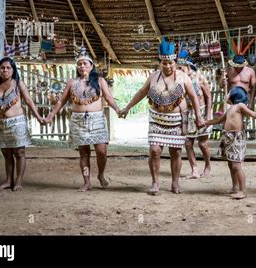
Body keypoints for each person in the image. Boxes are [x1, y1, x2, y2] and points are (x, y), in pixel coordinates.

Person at [119, 37, 204, 195]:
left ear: (175, 62)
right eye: (164, 63)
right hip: (157, 120)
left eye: (170, 63)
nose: (168, 66)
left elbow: (194, 97)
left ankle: (175, 183)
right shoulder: (153, 77)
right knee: (154, 150)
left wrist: (198, 116)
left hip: (178, 120)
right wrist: (127, 108)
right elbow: (140, 93)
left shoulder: (183, 77)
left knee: (176, 152)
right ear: (160, 62)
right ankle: (155, 182)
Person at [45, 48, 121, 192]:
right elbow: (61, 101)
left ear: (91, 66)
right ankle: (86, 181)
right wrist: (51, 114)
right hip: (78, 121)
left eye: (85, 64)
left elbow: (109, 98)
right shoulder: (72, 82)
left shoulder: (99, 81)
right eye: (79, 64)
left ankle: (101, 174)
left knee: (101, 151)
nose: (82, 67)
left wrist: (117, 109)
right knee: (84, 153)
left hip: (97, 120)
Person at [0, 57, 44, 191]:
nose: (5, 70)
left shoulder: (18, 84)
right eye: (2, 68)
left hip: (17, 123)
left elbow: (29, 101)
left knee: (19, 152)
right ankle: (8, 181)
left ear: (13, 70)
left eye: (8, 68)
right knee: (6, 153)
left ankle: (18, 181)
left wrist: (39, 117)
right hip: (1, 123)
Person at [205, 86, 256, 199]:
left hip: (236, 138)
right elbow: (217, 120)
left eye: (229, 92)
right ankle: (235, 187)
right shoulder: (230, 109)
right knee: (231, 164)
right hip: (227, 138)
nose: (226, 95)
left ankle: (243, 190)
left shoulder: (240, 106)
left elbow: (254, 114)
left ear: (234, 95)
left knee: (236, 165)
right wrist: (204, 123)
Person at [176, 50, 213, 178]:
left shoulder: (200, 78)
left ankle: (207, 166)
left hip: (202, 111)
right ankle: (194, 170)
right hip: (188, 113)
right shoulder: (180, 79)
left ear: (188, 66)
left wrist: (208, 115)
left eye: (180, 68)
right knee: (187, 143)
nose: (178, 70)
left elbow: (208, 97)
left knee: (202, 143)